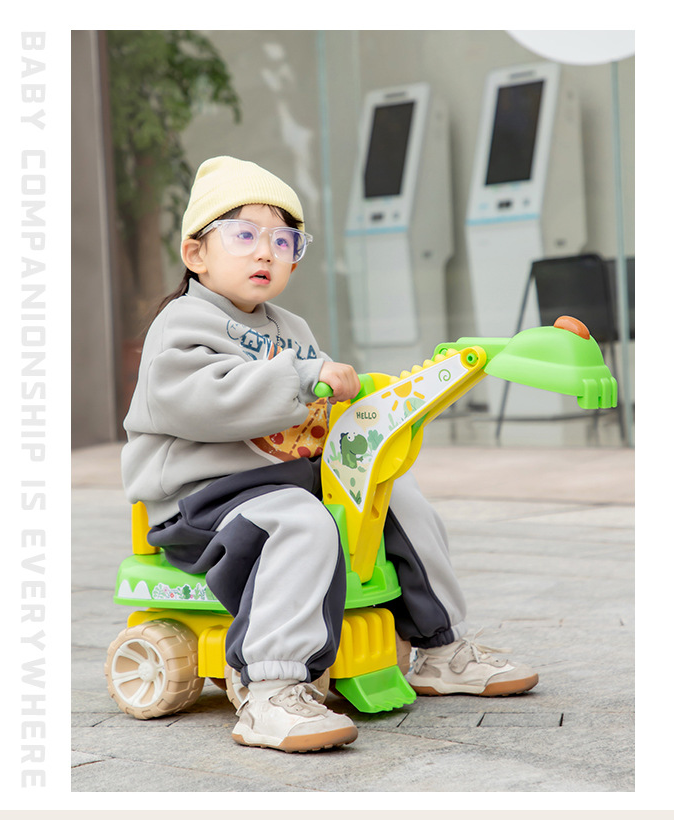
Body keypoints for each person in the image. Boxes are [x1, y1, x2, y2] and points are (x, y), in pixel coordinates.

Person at [121, 156, 538, 753]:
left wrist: (357, 399)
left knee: (394, 494)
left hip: (283, 481)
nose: (266, 252)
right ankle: (270, 690)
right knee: (301, 519)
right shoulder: (182, 324)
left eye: (283, 241)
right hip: (201, 500)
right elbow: (197, 400)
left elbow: (318, 403)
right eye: (244, 235)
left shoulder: (290, 327)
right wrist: (301, 376)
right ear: (196, 254)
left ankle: (439, 648)